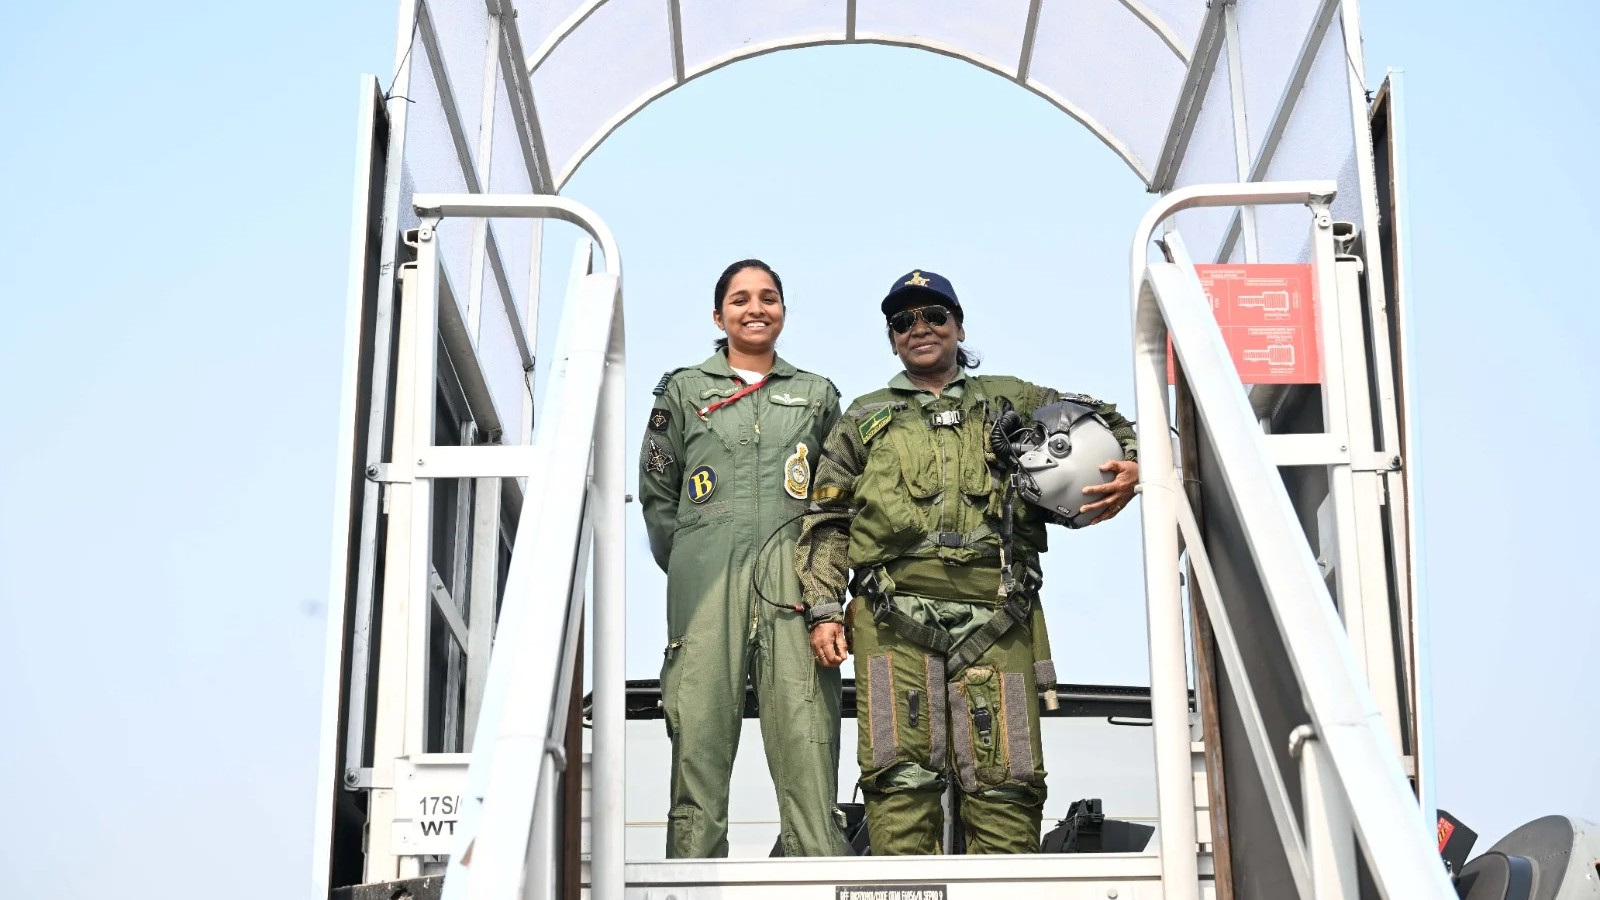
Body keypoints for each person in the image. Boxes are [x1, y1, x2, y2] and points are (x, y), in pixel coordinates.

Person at [794, 269, 1140, 855]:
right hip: (890, 613)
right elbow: (828, 518)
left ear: (958, 325)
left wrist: (1131, 461)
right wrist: (826, 608)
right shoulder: (864, 417)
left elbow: (1100, 417)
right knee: (896, 776)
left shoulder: (1012, 400)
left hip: (998, 612)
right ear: (892, 338)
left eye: (934, 316)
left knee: (1007, 779)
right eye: (903, 321)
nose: (919, 329)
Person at [638, 259, 850, 858]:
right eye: (739, 299)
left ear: (783, 310)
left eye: (768, 297)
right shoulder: (682, 391)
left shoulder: (817, 396)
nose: (755, 308)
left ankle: (820, 880)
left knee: (810, 750)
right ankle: (691, 888)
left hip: (795, 592)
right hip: (706, 594)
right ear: (718, 315)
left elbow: (836, 502)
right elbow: (659, 496)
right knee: (698, 751)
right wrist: (694, 567)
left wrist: (825, 595)